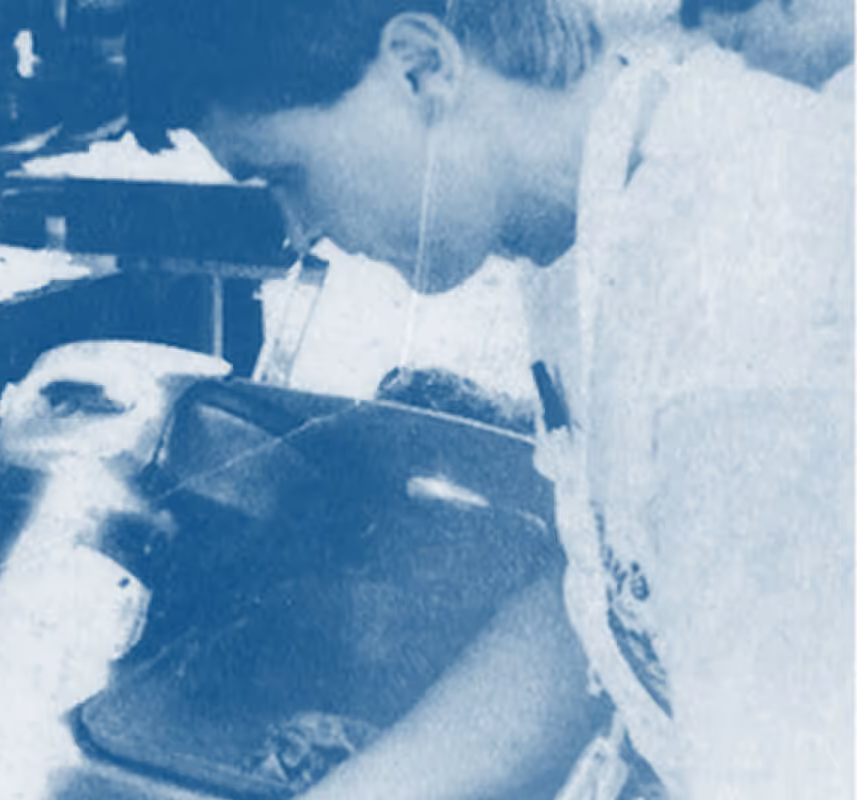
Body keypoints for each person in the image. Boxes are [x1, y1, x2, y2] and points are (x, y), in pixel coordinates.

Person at [126, 1, 853, 798]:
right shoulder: (578, 231)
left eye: (284, 175)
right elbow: (604, 606)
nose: (296, 231)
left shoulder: (743, 280)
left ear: (420, 66)